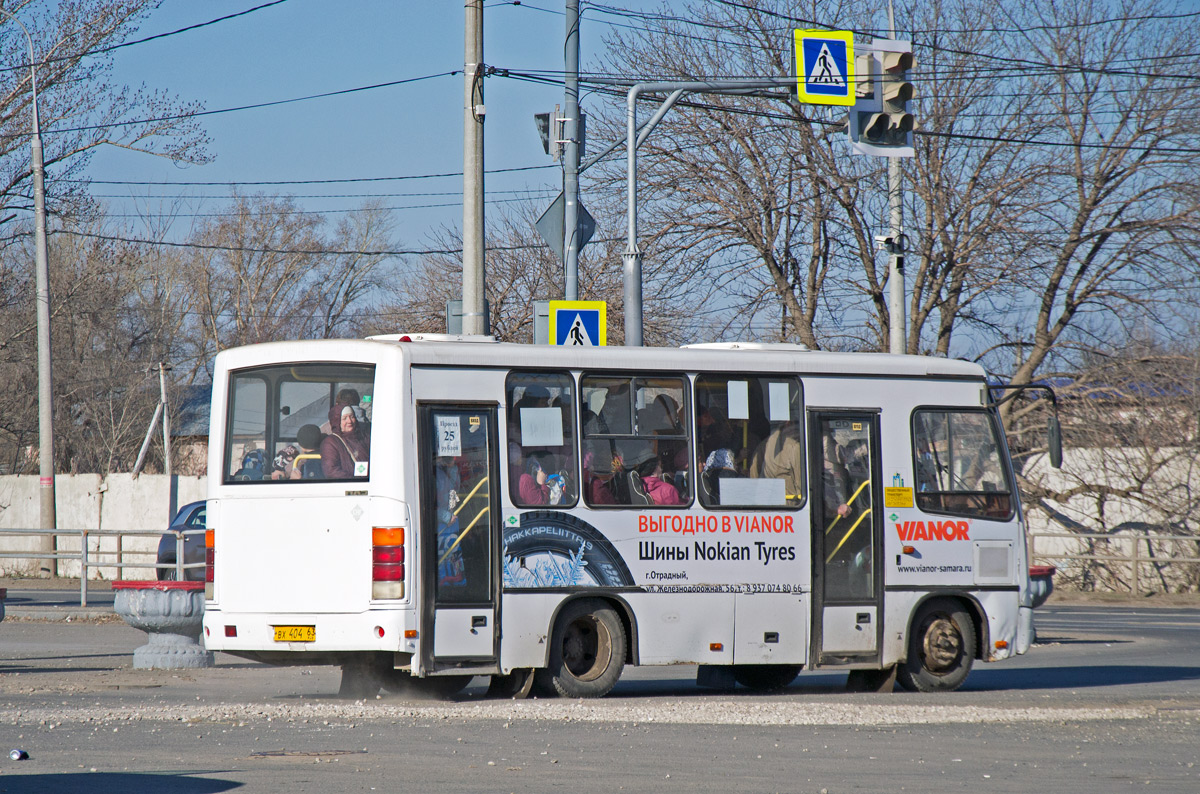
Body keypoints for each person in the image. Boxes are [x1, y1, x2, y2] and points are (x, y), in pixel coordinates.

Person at [749, 422, 805, 504]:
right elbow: (801, 484)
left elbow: (753, 474)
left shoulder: (764, 445)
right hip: (790, 503)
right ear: (788, 424)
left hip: (768, 502)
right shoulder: (794, 447)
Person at [321, 404, 370, 478]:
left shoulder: (363, 437)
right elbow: (331, 471)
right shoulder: (331, 443)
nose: (349, 421)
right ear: (337, 421)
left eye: (352, 416)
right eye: (344, 418)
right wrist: (354, 480)